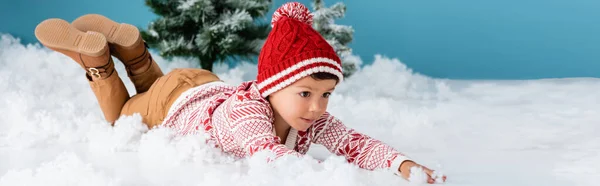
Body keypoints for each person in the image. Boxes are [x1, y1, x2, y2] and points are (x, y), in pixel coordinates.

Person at [34, 2, 446, 184]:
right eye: (306, 93)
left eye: (326, 95)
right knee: (122, 115)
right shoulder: (250, 117)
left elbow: (353, 143)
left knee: (152, 82)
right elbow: (270, 155)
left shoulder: (307, 114)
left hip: (200, 83)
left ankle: (135, 50)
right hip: (175, 104)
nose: (318, 107)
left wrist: (404, 165)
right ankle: (100, 60)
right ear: (271, 86)